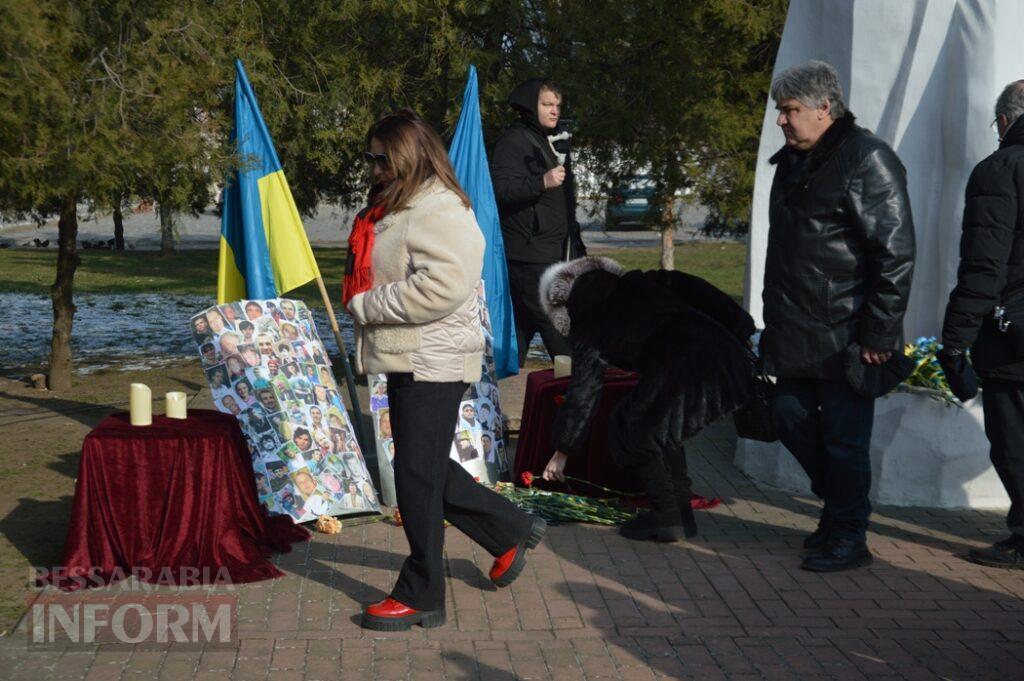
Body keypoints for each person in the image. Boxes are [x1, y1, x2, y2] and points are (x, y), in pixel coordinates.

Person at [345, 110, 545, 632]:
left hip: (432, 358)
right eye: (369, 156)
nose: (371, 166)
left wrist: (369, 304)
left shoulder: (438, 208)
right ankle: (508, 529)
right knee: (423, 467)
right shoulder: (405, 203)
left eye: (379, 157)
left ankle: (422, 593)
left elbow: (444, 286)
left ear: (406, 155)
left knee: (415, 475)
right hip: (411, 354)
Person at [762, 61, 915, 572]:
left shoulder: (867, 159)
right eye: (780, 111)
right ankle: (841, 508)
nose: (781, 121)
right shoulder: (792, 161)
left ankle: (850, 533)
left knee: (845, 440)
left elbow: (894, 254)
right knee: (786, 416)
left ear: (824, 108)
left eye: (790, 110)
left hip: (847, 331)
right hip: (795, 326)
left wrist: (880, 331)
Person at [539, 257, 754, 542]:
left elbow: (584, 391)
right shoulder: (645, 280)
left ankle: (667, 516)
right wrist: (743, 330)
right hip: (724, 357)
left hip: (687, 369)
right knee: (661, 429)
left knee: (630, 428)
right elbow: (703, 292)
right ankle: (681, 516)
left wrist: (562, 451)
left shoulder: (589, 326)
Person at [938, 80, 1024, 569]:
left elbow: (984, 266)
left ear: (1007, 122)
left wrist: (954, 344)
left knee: (1015, 441)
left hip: (1014, 339)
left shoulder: (1002, 168)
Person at [490, 78, 584, 366]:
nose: (554, 111)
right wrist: (541, 181)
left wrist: (575, 244)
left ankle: (478, 398)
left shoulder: (552, 142)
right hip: (529, 255)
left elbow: (563, 204)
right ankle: (573, 399)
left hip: (551, 252)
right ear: (531, 106)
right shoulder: (515, 141)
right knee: (561, 336)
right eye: (547, 105)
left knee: (517, 335)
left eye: (557, 105)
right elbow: (500, 190)